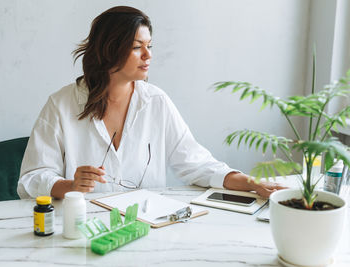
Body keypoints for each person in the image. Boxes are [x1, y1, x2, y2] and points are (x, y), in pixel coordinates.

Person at [17, 6, 285, 200]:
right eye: (137, 47)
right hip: (83, 228)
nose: (148, 55)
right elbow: (31, 178)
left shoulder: (156, 101)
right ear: (109, 49)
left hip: (143, 227)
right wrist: (70, 185)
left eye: (149, 45)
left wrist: (253, 183)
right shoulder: (61, 104)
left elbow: (197, 164)